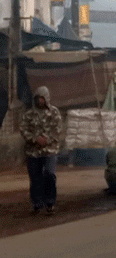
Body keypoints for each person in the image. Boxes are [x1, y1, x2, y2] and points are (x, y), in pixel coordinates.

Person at [20, 86, 62, 215]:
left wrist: (46, 139)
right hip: (33, 151)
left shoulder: (54, 112)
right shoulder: (29, 114)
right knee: (35, 178)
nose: (40, 100)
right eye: (38, 98)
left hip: (49, 150)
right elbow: (23, 129)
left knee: (50, 175)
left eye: (42, 98)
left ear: (47, 98)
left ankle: (50, 203)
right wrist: (34, 139)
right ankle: (37, 204)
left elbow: (58, 129)